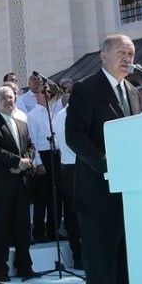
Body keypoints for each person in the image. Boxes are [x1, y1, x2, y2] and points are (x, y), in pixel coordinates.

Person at [66, 33, 140, 284]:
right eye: (121, 53)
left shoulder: (134, 93)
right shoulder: (86, 89)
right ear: (103, 55)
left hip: (129, 198)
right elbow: (75, 136)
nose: (127, 58)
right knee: (102, 282)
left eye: (131, 54)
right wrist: (106, 164)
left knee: (125, 279)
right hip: (97, 198)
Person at [0, 83, 38, 282]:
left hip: (21, 182)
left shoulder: (21, 123)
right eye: (4, 98)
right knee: (3, 227)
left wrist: (27, 162)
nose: (9, 100)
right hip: (3, 183)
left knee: (23, 227)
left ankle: (24, 266)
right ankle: (1, 269)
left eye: (11, 97)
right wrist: (17, 162)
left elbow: (30, 145)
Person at [27, 79, 63, 242]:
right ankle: (39, 232)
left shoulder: (54, 112)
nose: (46, 94)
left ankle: (53, 230)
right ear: (36, 95)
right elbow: (32, 140)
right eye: (42, 92)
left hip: (56, 155)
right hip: (43, 155)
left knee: (55, 196)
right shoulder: (32, 115)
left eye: (48, 92)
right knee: (41, 197)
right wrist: (38, 162)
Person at [54, 79, 82, 270]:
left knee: (74, 216)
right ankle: (80, 258)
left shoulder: (60, 115)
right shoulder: (67, 115)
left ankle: (80, 257)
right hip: (76, 168)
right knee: (76, 217)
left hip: (70, 167)